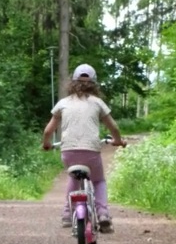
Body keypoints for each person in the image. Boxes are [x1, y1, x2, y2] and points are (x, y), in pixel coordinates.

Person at [41, 64, 127, 231]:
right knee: (99, 180)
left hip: (68, 152)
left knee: (74, 177)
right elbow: (114, 128)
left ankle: (67, 213)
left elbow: (48, 131)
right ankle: (102, 213)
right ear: (94, 84)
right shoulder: (98, 103)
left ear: (73, 82)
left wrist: (46, 144)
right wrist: (118, 141)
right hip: (91, 152)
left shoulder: (63, 103)